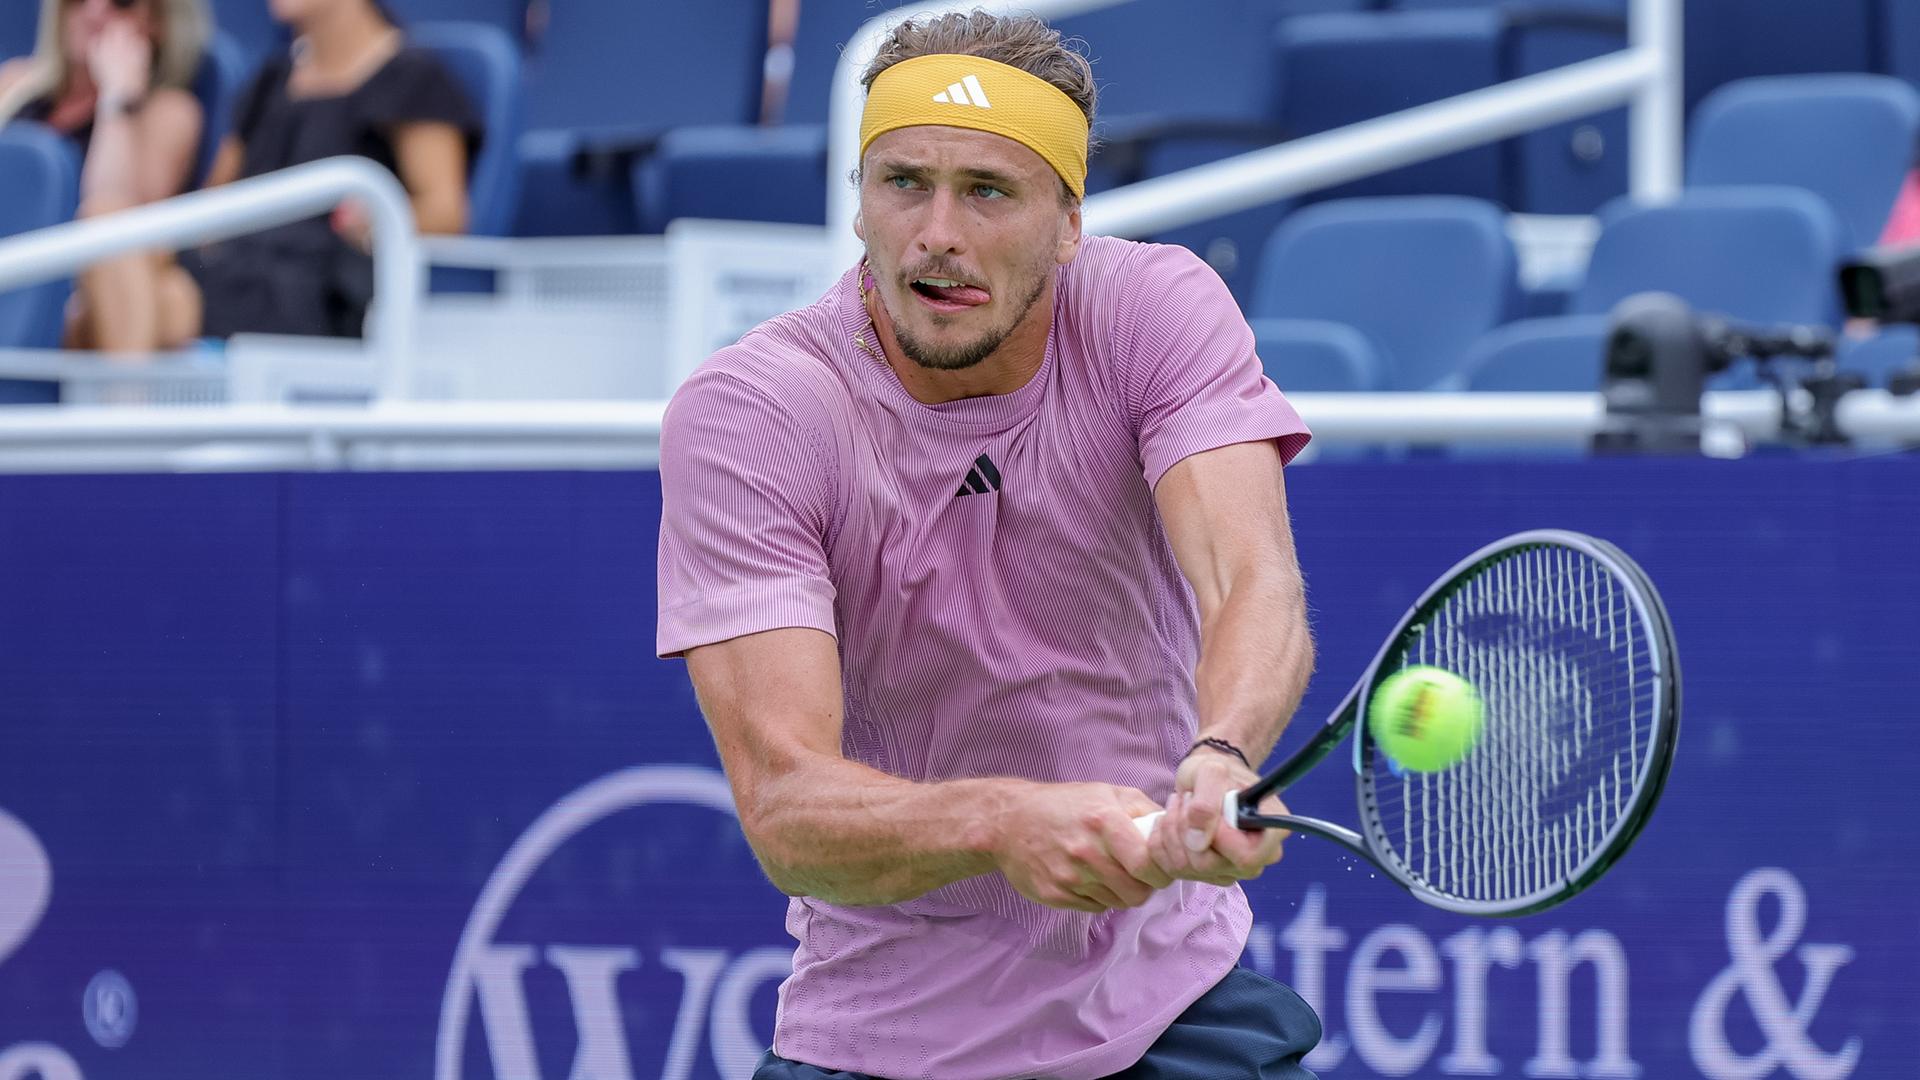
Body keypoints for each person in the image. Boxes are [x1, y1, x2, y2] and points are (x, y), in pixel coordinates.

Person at [657, 11, 1320, 1079]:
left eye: (989, 192)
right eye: (904, 182)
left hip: (1171, 1012)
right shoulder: (754, 412)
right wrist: (1001, 823)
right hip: (883, 1045)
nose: (937, 235)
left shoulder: (1154, 307)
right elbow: (785, 808)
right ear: (860, 200)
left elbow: (1252, 577)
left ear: (1068, 222)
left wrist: (1224, 750)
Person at [68, 0, 478, 352]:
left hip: (318, 289)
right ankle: (131, 417)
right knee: (106, 226)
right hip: (237, 269)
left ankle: (127, 427)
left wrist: (373, 222)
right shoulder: (271, 79)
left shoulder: (412, 75)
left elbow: (447, 213)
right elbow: (215, 204)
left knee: (102, 320)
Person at [0, 0, 209, 353]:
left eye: (121, 3)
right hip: (11, 260)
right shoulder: (15, 84)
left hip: (77, 295)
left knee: (170, 294)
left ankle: (124, 403)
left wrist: (115, 101)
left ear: (157, 23)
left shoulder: (167, 111)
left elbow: (118, 229)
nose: (95, 10)